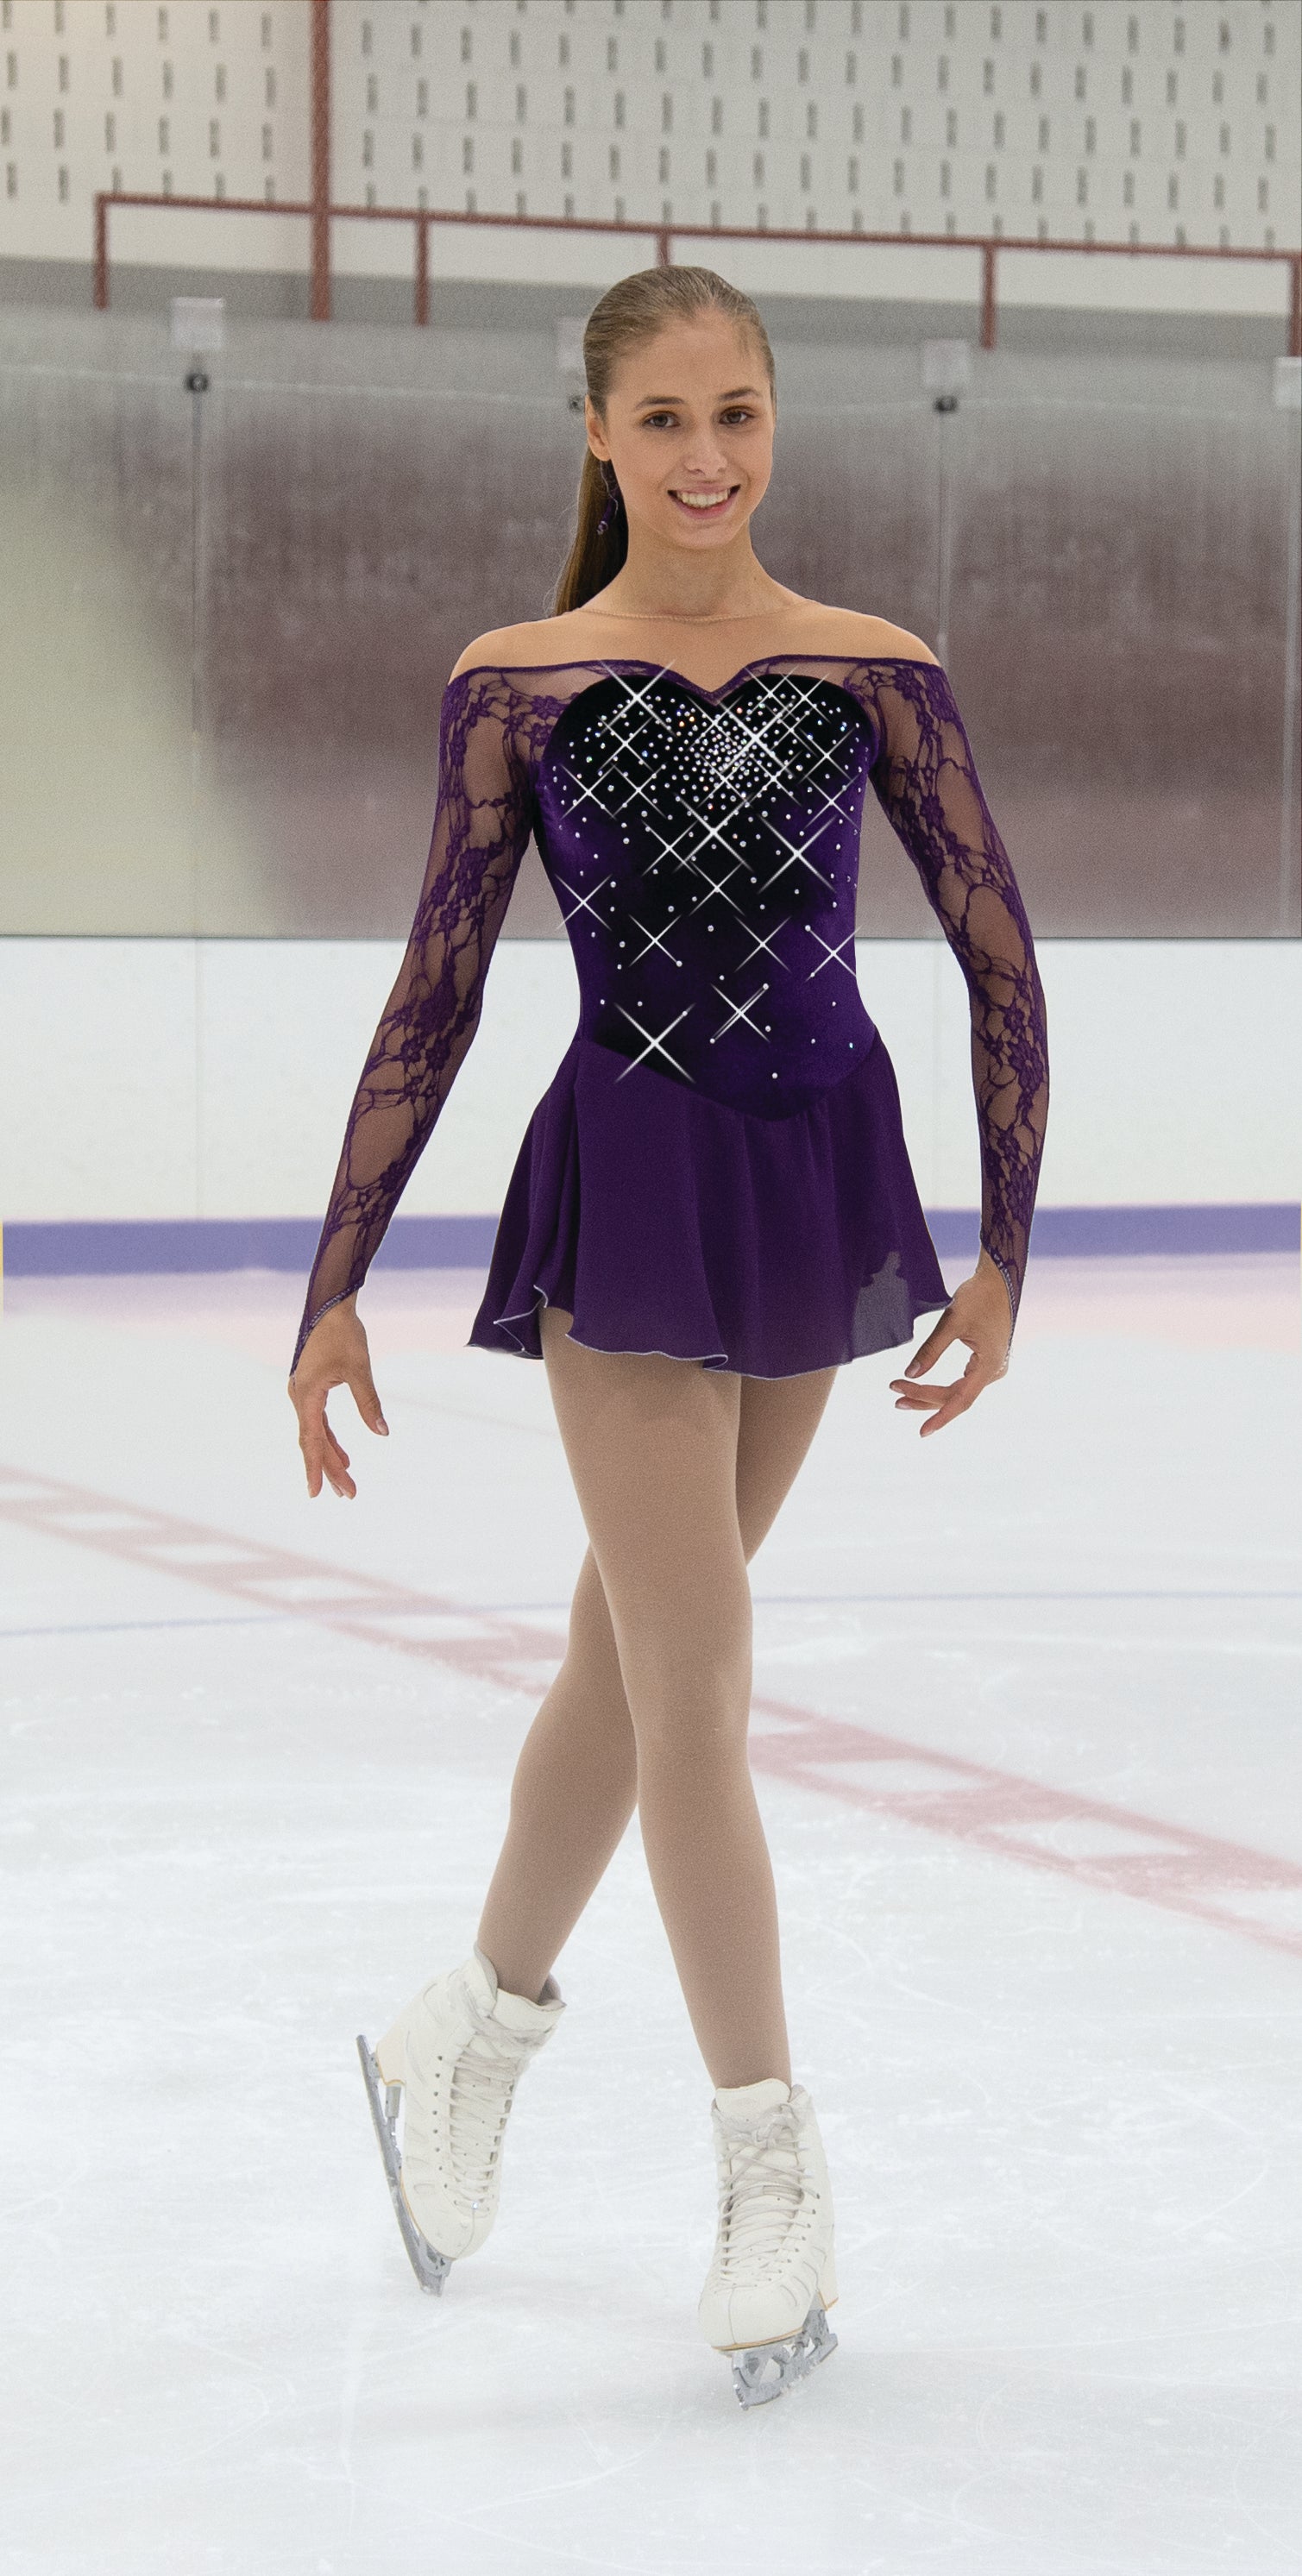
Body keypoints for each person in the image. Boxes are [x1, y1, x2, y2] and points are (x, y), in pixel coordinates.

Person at [288, 266, 1048, 2409]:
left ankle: (467, 2022)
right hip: (628, 1189)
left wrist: (1002, 1250)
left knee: (622, 1665)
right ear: (596, 439)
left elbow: (999, 959)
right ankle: (766, 2158)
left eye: (737, 414)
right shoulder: (519, 682)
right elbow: (433, 986)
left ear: (772, 422)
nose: (705, 458)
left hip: (812, 1184)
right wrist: (333, 1275)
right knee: (696, 1673)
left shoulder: (871, 665)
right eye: (662, 421)